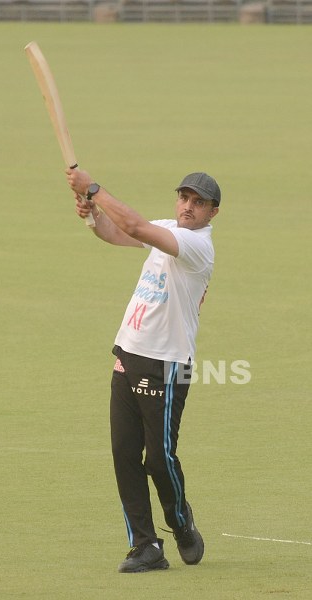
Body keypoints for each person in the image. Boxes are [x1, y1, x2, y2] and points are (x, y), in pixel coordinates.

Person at [66, 169, 221, 573]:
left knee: (159, 459)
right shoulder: (171, 226)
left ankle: (181, 522)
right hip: (129, 351)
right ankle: (145, 546)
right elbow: (120, 233)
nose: (187, 206)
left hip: (168, 363)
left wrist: (94, 189)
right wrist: (93, 215)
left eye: (198, 202)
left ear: (212, 213)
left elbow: (134, 223)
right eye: (184, 197)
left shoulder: (196, 245)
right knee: (124, 455)